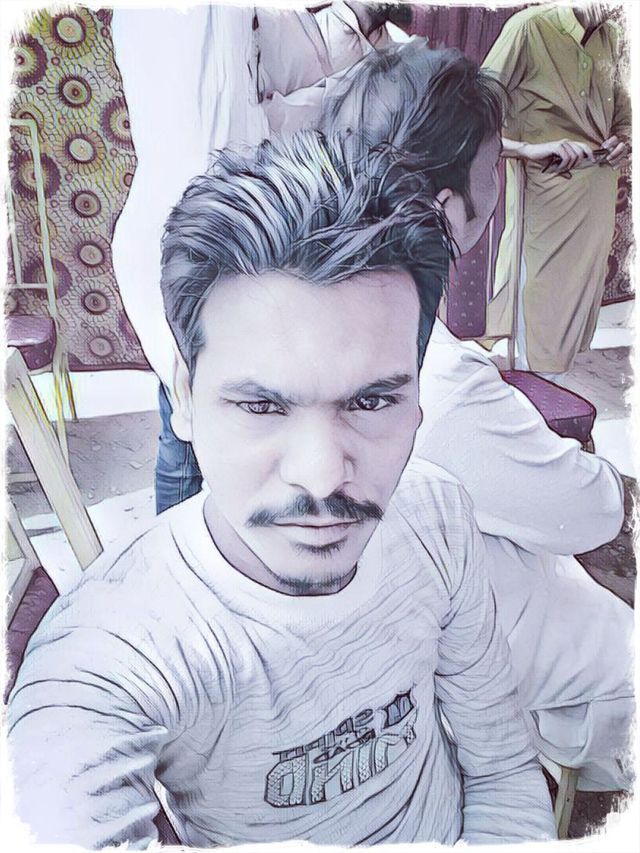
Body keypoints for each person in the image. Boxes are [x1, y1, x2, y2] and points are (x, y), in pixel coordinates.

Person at [7, 132, 556, 847]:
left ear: (420, 399)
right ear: (184, 400)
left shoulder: (436, 515)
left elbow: (501, 766)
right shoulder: (106, 659)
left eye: (371, 402)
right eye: (262, 406)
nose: (323, 476)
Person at [318, 39, 633, 793]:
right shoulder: (434, 379)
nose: (499, 181)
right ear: (447, 208)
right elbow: (587, 512)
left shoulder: (316, 307)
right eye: (492, 166)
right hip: (454, 656)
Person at [110, 2, 410, 512]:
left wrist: (355, 58)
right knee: (199, 430)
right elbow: (218, 145)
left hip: (219, 237)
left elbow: (258, 114)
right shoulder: (187, 21)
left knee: (202, 425)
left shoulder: (231, 24)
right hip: (204, 243)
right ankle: (186, 552)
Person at [480, 2, 631, 378]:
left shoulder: (612, 36)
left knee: (572, 322)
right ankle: (531, 389)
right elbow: (472, 113)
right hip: (545, 193)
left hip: (597, 193)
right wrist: (526, 149)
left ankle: (552, 391)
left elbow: (625, 111)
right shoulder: (528, 28)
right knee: (537, 319)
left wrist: (625, 138)